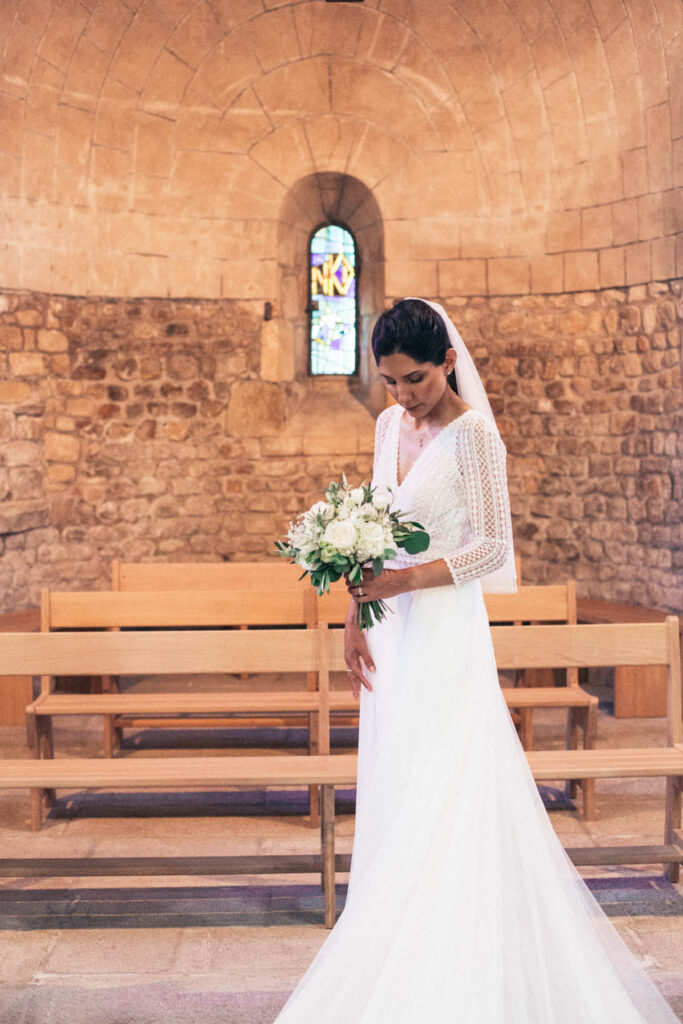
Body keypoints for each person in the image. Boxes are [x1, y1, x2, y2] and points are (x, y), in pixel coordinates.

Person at [273, 299, 678, 1023]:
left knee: (449, 779)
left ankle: (453, 958)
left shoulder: (475, 439)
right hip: (389, 627)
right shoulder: (388, 424)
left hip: (445, 631)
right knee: (396, 778)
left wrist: (406, 581)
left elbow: (491, 549)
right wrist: (354, 614)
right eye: (390, 380)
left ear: (449, 361)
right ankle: (394, 935)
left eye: (416, 380)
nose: (403, 395)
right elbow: (372, 530)